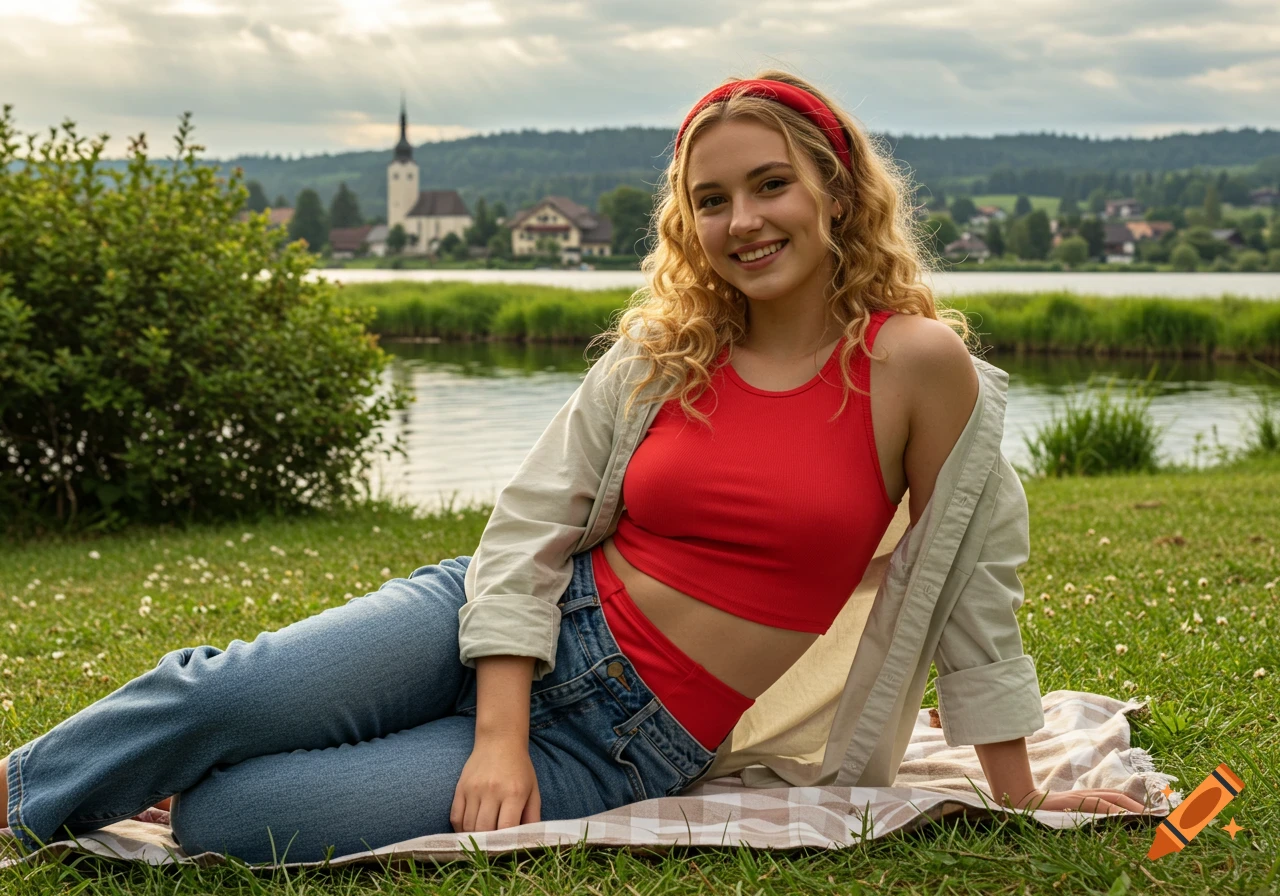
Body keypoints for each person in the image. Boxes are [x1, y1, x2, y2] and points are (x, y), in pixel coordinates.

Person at [1, 70, 1148, 864]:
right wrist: (495, 725)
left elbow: (973, 597)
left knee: (236, 818)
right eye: (711, 199)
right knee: (227, 691)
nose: (741, 219)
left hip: (615, 737)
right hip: (498, 619)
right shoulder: (665, 351)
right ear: (685, 219)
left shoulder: (917, 365)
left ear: (836, 193)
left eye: (769, 185)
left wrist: (1021, 795)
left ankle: (179, 769)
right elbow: (526, 529)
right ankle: (20, 794)